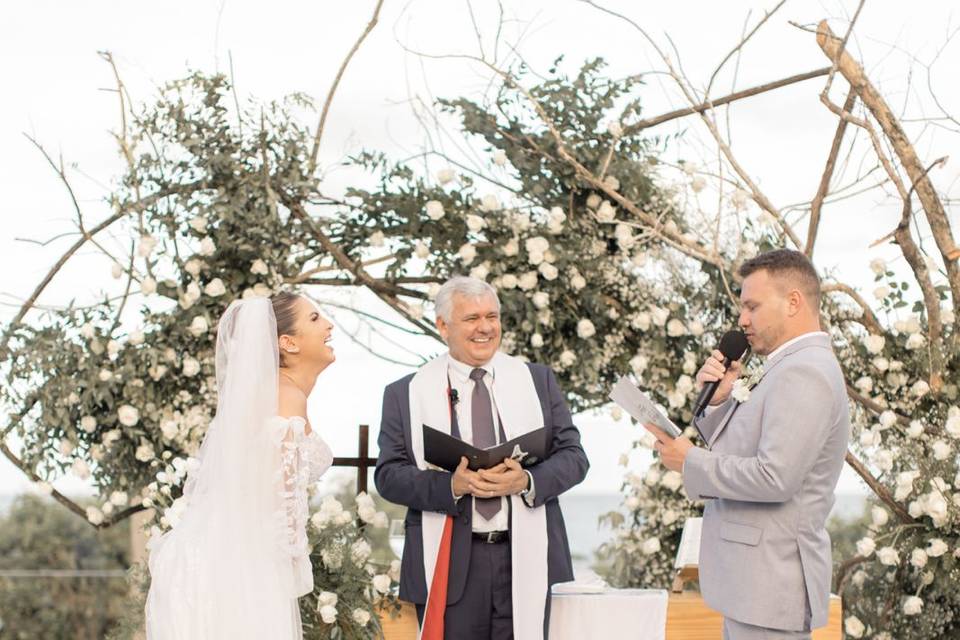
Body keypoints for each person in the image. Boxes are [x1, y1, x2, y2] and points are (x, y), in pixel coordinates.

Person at [646, 249, 850, 640]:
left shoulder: (805, 371)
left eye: (752, 306)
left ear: (794, 302)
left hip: (770, 585)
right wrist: (720, 401)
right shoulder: (784, 366)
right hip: (754, 586)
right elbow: (744, 450)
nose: (742, 319)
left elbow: (775, 477)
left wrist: (690, 460)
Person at [375, 276, 589, 640]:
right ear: (443, 326)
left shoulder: (537, 381)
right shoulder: (406, 393)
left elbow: (574, 457)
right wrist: (451, 485)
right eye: (471, 318)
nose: (485, 328)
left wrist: (527, 481)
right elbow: (389, 475)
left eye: (492, 316)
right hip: (451, 559)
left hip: (525, 554)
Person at [146, 293, 336, 640]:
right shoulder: (285, 399)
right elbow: (282, 510)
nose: (328, 325)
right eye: (314, 319)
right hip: (240, 571)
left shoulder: (271, 395)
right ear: (287, 343)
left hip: (214, 561)